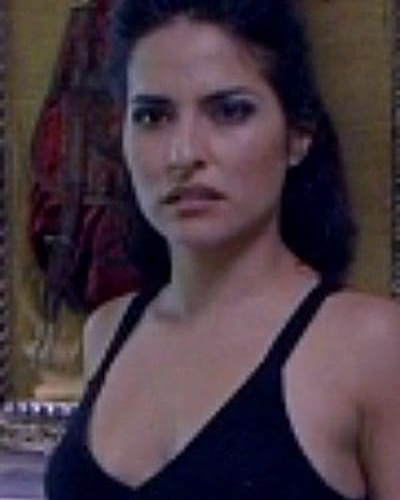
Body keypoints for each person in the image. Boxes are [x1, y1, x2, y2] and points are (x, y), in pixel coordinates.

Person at [44, 0, 400, 498]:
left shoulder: (371, 345)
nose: (184, 152)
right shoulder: (106, 331)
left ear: (298, 134)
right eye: (153, 116)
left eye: (230, 111)